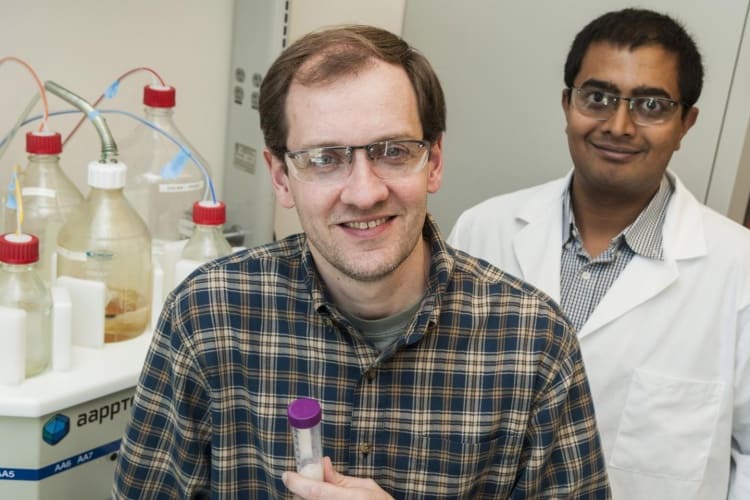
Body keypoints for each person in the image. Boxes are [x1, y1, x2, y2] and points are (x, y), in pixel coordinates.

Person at [113, 24, 610, 499]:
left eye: (393, 151)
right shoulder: (207, 316)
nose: (365, 191)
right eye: (324, 159)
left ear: (433, 161)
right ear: (281, 177)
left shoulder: (534, 344)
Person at [448, 8, 750, 499]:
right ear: (567, 103)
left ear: (685, 122)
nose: (619, 125)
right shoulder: (483, 230)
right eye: (598, 98)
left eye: (651, 105)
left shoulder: (739, 269)